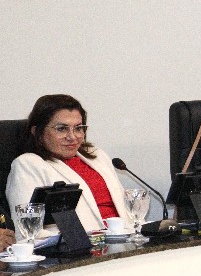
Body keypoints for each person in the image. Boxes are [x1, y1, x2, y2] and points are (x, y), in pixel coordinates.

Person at [6, 94, 129, 240]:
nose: (72, 136)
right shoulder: (27, 165)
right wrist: (77, 241)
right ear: (37, 131)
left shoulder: (97, 155)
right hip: (83, 247)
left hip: (124, 238)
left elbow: (126, 211)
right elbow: (27, 231)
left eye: (78, 128)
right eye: (61, 129)